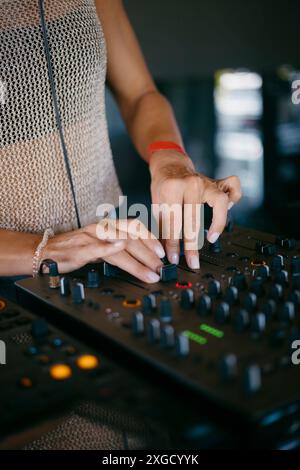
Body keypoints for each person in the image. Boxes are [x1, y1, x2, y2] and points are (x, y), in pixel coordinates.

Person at [0, 0, 242, 293]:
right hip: (14, 276)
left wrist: (171, 161)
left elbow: (139, 95)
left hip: (108, 249)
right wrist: (45, 250)